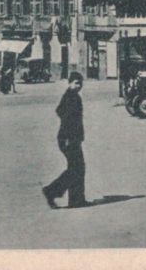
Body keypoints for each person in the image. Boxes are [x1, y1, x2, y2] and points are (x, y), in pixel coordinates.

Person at [42, 72, 89, 209]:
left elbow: (59, 111)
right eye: (75, 83)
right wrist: (69, 136)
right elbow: (64, 115)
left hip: (72, 138)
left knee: (77, 168)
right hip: (69, 138)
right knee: (76, 168)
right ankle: (51, 191)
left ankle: (76, 200)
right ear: (69, 83)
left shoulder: (72, 96)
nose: (78, 86)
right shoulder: (71, 97)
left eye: (80, 83)